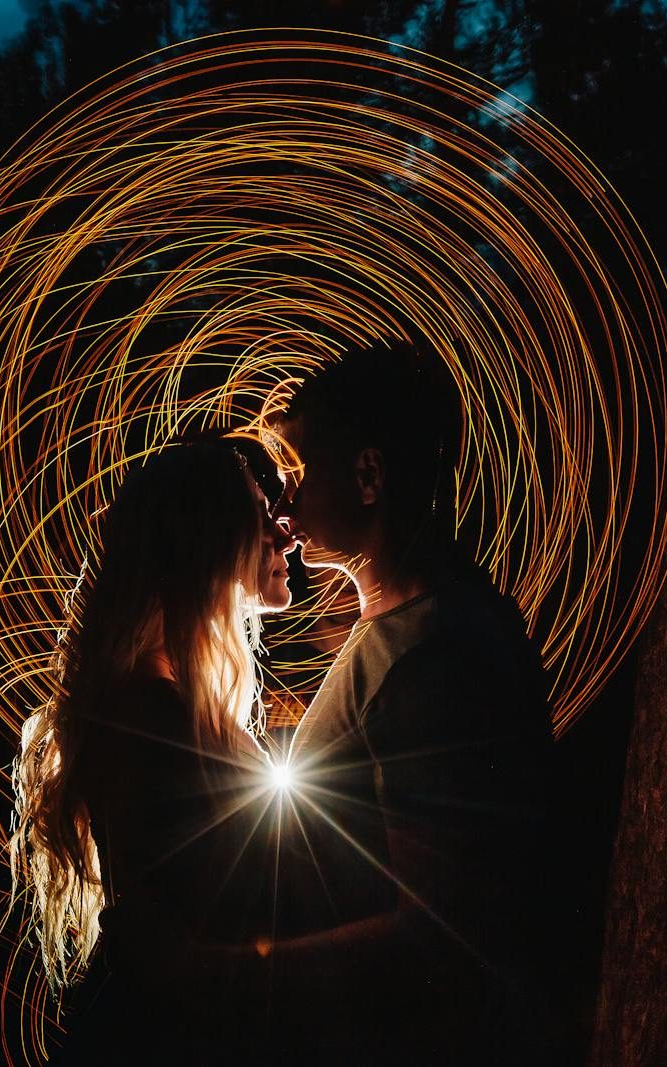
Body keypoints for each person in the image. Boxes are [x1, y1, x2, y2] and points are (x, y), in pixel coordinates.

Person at [269, 341, 562, 1062]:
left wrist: (241, 963)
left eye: (299, 475)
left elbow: (438, 932)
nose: (283, 505)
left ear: (369, 476)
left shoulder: (434, 657)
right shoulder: (421, 631)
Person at [7, 442, 296, 1063]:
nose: (284, 533)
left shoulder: (159, 704)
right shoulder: (150, 718)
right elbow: (172, 958)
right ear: (206, 540)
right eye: (258, 513)